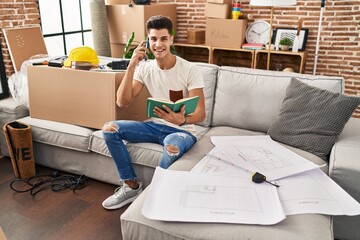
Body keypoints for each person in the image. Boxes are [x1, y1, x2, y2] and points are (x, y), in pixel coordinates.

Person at [101, 15, 206, 210]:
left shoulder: (190, 69)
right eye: (153, 39)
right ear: (148, 41)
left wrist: (182, 119)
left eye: (163, 39)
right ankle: (131, 186)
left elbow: (201, 114)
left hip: (181, 131)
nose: (158, 44)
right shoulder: (144, 68)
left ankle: (158, 193)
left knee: (173, 147)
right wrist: (132, 65)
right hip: (153, 126)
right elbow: (122, 101)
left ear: (171, 39)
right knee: (109, 129)